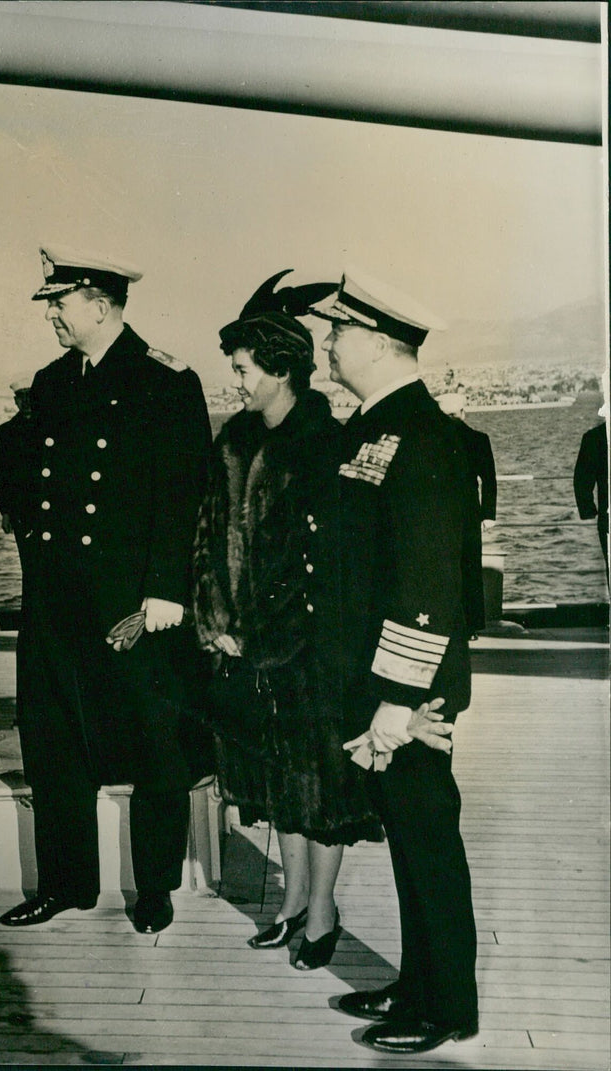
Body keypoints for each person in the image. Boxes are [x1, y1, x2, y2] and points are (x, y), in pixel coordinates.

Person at [193, 270, 446, 972]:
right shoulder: (233, 442)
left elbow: (323, 562)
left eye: (243, 369)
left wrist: (267, 633)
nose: (236, 382)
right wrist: (214, 618)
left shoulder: (325, 443)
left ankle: (323, 910)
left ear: (279, 369)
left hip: (302, 650)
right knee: (278, 787)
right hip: (245, 648)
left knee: (318, 788)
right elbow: (210, 537)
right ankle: (294, 901)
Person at [0, 247, 212, 934]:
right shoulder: (51, 382)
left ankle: (154, 888)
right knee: (52, 737)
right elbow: (31, 484)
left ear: (99, 301)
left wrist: (165, 589)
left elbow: (186, 496)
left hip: (129, 601)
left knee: (154, 743)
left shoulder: (165, 381)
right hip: (57, 598)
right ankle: (67, 883)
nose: (53, 315)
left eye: (59, 302)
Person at [307, 264, 480, 1054]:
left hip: (405, 697)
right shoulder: (374, 428)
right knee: (409, 839)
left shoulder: (425, 437)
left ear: (377, 342)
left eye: (338, 331)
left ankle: (449, 1006)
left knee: (427, 840)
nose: (329, 342)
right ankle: (419, 983)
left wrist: (398, 699)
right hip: (376, 687)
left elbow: (431, 584)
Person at [436, 391, 497, 631]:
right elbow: (489, 480)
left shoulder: (433, 441)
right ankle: (472, 624)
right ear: (463, 412)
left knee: (442, 566)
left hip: (439, 512)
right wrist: (488, 515)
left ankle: (447, 623)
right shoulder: (478, 439)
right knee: (470, 566)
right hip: (470, 512)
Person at [0, 378, 40, 572]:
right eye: (21, 397)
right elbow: (3, 473)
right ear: (15, 401)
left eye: (30, 396)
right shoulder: (7, 432)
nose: (26, 402)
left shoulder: (52, 425)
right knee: (29, 565)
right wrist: (5, 512)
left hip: (52, 508)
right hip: (21, 509)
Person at [573, 401, 608, 580]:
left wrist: (588, 511)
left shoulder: (595, 437)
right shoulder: (595, 438)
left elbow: (581, 479)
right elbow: (581, 480)